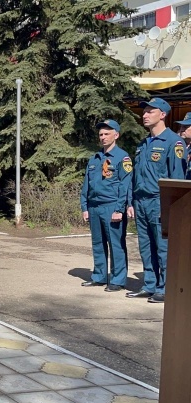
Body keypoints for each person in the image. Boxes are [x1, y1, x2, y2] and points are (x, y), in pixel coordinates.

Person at [126, 98, 187, 304]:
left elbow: (176, 179)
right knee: (146, 246)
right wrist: (132, 201)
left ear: (163, 115)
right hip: (142, 201)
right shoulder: (143, 144)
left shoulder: (173, 143)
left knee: (163, 247)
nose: (144, 115)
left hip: (159, 202)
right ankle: (149, 284)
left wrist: (170, 207)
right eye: (144, 112)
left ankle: (165, 287)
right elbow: (136, 177)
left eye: (150, 111)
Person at [79, 120, 132, 292]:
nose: (103, 137)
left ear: (116, 135)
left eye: (107, 134)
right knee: (98, 243)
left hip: (111, 207)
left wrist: (119, 209)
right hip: (95, 207)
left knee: (115, 244)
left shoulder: (122, 158)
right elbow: (86, 184)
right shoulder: (95, 158)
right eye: (101, 134)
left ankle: (117, 280)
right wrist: (84, 206)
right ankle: (99, 276)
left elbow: (125, 186)